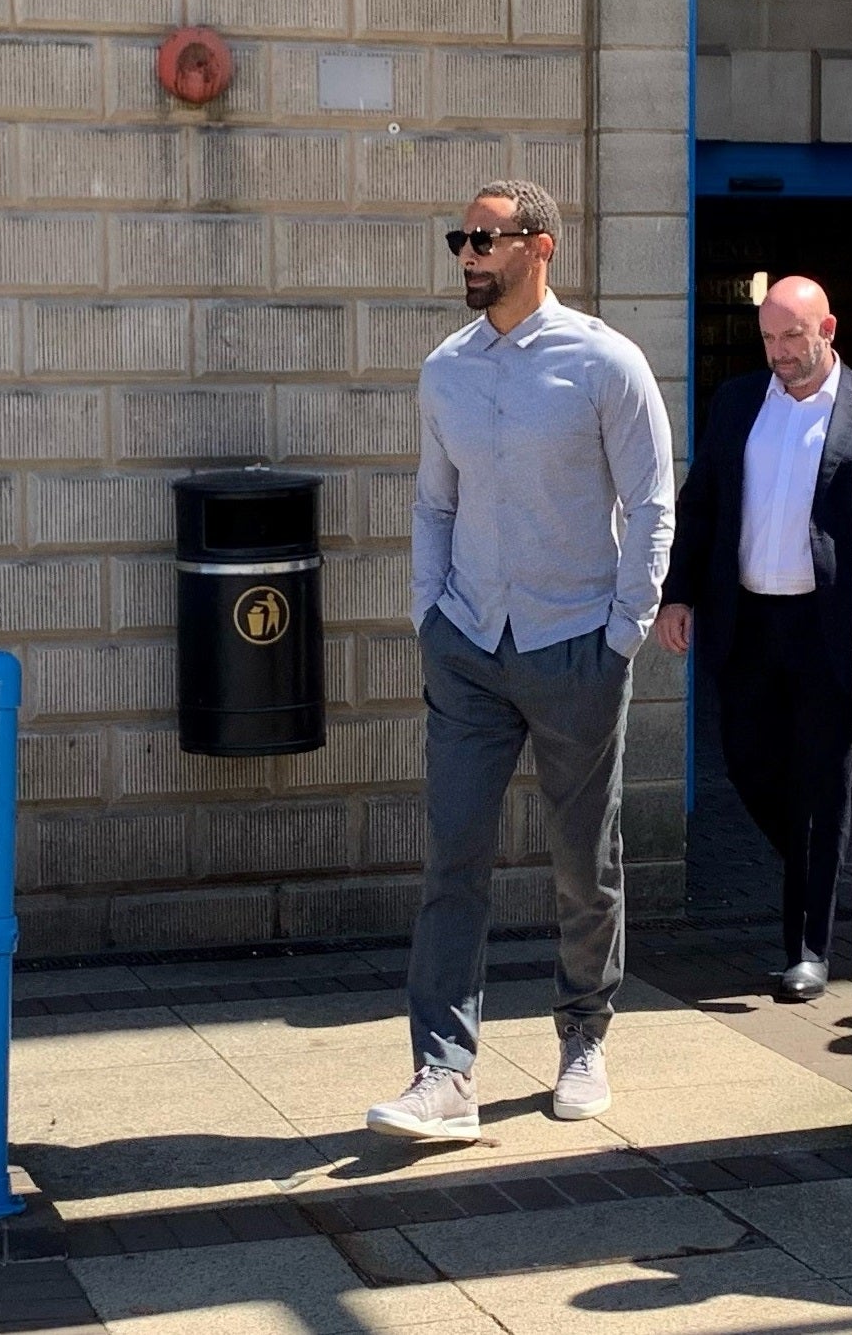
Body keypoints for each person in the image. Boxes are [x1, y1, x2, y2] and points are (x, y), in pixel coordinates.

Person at [365, 180, 675, 1142]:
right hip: (467, 646)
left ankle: (583, 1033)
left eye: (485, 239)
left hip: (574, 642)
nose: (466, 254)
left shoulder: (604, 362)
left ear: (540, 245)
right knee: (452, 859)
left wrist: (623, 629)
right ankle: (442, 1071)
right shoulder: (446, 369)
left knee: (584, 863)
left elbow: (654, 502)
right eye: (460, 237)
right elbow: (433, 503)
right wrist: (428, 613)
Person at [654, 276, 852, 1003]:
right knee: (745, 763)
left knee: (821, 784)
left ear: (826, 327)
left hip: (824, 627)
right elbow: (700, 502)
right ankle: (814, 864)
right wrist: (677, 593)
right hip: (747, 621)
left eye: (793, 337)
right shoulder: (738, 402)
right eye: (769, 339)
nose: (780, 354)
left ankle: (807, 946)